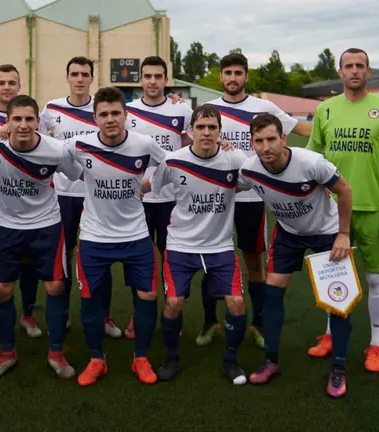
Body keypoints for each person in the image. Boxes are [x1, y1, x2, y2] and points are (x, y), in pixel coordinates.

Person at [202, 53, 312, 349]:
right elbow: (191, 142)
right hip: (216, 197)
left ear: (246, 76)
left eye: (238, 72)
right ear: (221, 76)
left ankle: (259, 323)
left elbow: (301, 130)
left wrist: (334, 125)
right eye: (228, 73)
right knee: (210, 258)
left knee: (254, 259)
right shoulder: (210, 110)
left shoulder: (263, 107)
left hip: (252, 197)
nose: (233, 78)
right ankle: (209, 321)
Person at [238, 113, 353, 397]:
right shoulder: (249, 170)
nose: (266, 147)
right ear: (251, 142)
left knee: (338, 300)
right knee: (272, 292)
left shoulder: (310, 163)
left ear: (283, 138)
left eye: (271, 139)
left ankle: (338, 368)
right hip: (289, 234)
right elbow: (230, 183)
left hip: (326, 233)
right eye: (259, 141)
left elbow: (345, 189)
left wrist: (343, 233)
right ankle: (271, 360)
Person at [306, 48, 379, 373]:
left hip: (374, 209)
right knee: (333, 277)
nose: (354, 71)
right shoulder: (325, 110)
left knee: (376, 279)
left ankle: (376, 346)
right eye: (348, 66)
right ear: (339, 72)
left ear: (368, 71)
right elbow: (312, 156)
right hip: (332, 210)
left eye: (359, 65)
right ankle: (329, 335)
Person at [65, 87, 165, 387]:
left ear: (126, 115)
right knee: (90, 299)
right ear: (95, 118)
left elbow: (171, 163)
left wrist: (148, 185)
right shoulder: (78, 144)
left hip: (135, 233)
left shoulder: (143, 144)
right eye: (104, 114)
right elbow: (58, 159)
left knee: (147, 294)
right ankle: (97, 359)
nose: (110, 119)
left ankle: (141, 357)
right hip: (95, 236)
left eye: (116, 113)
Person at [143, 104, 249, 385]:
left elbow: (254, 181)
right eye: (200, 127)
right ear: (190, 131)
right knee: (174, 302)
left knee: (237, 303)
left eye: (212, 127)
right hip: (180, 245)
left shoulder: (235, 159)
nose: (206, 132)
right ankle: (173, 357)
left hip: (220, 246)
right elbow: (152, 188)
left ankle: (230, 360)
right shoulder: (173, 161)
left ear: (220, 132)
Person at [0, 95, 82, 380]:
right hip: (8, 226)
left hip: (47, 225)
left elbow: (77, 175)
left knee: (55, 287)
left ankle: (57, 353)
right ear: (7, 122)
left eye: (29, 119)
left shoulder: (56, 150)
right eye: (17, 119)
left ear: (38, 122)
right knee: (1, 289)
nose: (23, 125)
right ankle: (6, 353)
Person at [38, 56, 122, 338]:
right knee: (64, 254)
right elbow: (32, 136)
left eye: (85, 74)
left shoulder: (102, 109)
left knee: (100, 254)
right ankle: (62, 315)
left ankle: (106, 314)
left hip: (96, 194)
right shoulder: (51, 109)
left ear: (91, 78)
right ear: (67, 77)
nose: (79, 79)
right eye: (74, 74)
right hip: (62, 194)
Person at [121, 55, 193, 340]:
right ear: (140, 79)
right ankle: (137, 314)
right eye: (147, 76)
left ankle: (172, 313)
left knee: (171, 257)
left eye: (157, 76)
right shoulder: (127, 111)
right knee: (138, 259)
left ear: (166, 79)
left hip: (172, 198)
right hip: (137, 198)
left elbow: (189, 152)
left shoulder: (183, 111)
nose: (152, 81)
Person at [0, 64, 42, 339]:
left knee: (28, 262)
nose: (6, 87)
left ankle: (27, 314)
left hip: (26, 203)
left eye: (11, 82)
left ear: (19, 85)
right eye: (1, 82)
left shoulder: (32, 115)